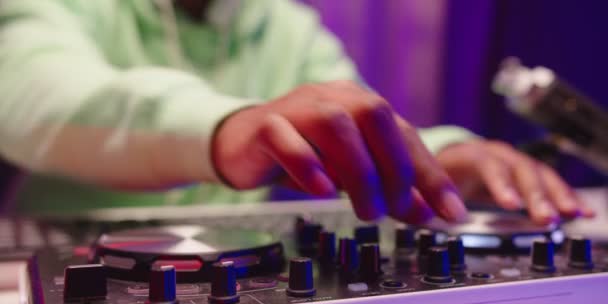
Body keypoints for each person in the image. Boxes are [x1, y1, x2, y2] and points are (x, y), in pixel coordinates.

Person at [0, 0, 593, 225]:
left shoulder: (289, 27)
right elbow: (34, 95)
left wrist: (447, 155)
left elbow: (354, 119)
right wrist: (226, 131)